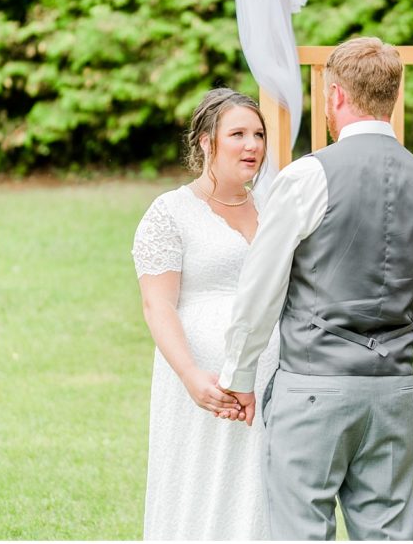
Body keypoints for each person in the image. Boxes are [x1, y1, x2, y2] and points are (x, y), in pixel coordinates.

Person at [219, 37, 413, 540]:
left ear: (336, 95)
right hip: (392, 390)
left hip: (314, 388)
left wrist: (239, 373)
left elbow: (261, 286)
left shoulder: (308, 176)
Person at [131, 88, 279, 540]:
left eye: (258, 134)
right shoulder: (170, 212)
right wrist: (193, 377)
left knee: (259, 493)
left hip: (271, 382)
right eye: (238, 134)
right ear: (206, 142)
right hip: (199, 382)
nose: (252, 145)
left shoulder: (275, 207)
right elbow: (158, 305)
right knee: (197, 488)